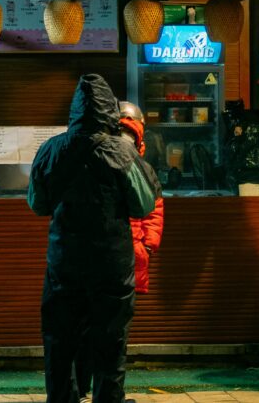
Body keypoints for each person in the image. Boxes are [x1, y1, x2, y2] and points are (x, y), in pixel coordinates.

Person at [28, 74, 159, 403]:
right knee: (110, 342)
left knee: (60, 341)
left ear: (75, 110)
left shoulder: (51, 150)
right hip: (111, 263)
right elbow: (144, 205)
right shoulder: (123, 152)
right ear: (108, 111)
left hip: (64, 262)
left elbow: (38, 204)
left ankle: (62, 399)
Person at [74, 101, 165, 402]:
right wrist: (146, 245)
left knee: (87, 326)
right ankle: (108, 395)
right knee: (114, 333)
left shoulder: (96, 155)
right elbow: (153, 209)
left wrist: (146, 245)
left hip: (97, 253)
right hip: (125, 254)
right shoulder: (138, 163)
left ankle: (83, 390)